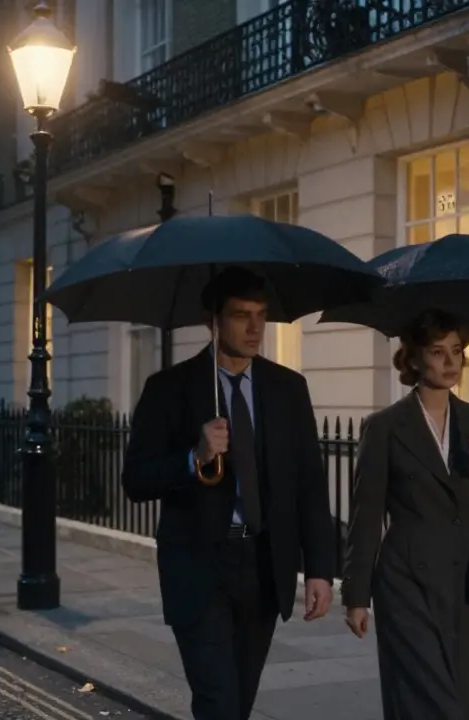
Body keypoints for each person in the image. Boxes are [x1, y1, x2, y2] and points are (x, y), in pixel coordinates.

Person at [122, 266, 336, 720]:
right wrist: (193, 458)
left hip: (263, 566)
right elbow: (135, 479)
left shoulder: (288, 389)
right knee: (218, 703)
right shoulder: (169, 389)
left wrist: (319, 568)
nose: (255, 327)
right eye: (241, 315)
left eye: (261, 315)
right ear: (212, 320)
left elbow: (310, 485)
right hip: (199, 569)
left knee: (239, 703)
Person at [341, 308, 469, 720]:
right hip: (405, 580)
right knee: (426, 700)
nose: (451, 362)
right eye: (438, 351)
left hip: (464, 579)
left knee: (466, 698)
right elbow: (366, 515)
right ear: (414, 358)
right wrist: (356, 596)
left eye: (457, 350)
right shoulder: (384, 427)